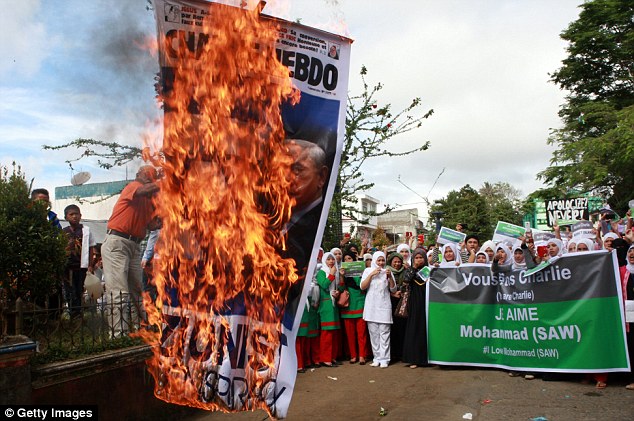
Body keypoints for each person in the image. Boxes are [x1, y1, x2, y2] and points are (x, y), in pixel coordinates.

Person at [101, 165, 160, 337]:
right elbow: (143, 190)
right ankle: (118, 335)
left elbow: (152, 225)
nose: (151, 177)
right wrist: (169, 179)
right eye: (148, 174)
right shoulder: (133, 186)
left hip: (134, 245)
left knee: (136, 290)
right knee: (119, 291)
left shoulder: (147, 202)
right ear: (139, 175)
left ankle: (140, 328)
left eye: (154, 175)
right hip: (117, 242)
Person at [361, 251, 397, 368]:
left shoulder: (387, 271)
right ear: (374, 261)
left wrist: (389, 276)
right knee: (374, 334)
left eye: (383, 260)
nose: (381, 263)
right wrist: (372, 274)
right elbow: (362, 286)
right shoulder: (368, 271)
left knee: (384, 333)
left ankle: (385, 359)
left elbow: (393, 289)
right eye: (379, 260)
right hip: (371, 306)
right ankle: (376, 357)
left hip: (384, 305)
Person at [62, 204, 96, 317]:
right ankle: (73, 313)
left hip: (81, 266)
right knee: (69, 291)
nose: (74, 216)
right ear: (66, 217)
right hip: (67, 267)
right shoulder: (63, 232)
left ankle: (79, 313)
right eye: (71, 214)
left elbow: (91, 248)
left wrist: (90, 265)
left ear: (80, 216)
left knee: (79, 289)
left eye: (77, 214)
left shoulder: (86, 230)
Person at [402, 249, 429, 368]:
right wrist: (413, 267)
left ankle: (426, 358)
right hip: (415, 302)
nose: (419, 260)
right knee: (415, 328)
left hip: (428, 301)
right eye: (416, 258)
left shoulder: (429, 270)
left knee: (426, 329)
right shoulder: (410, 270)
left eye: (421, 258)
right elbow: (406, 280)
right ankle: (414, 359)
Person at [340, 251, 368, 365]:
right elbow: (341, 288)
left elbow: (362, 286)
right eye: (346, 259)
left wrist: (357, 272)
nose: (348, 261)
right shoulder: (341, 272)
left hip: (359, 302)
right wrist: (342, 276)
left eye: (350, 259)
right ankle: (353, 355)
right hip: (347, 305)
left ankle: (362, 355)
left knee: (361, 333)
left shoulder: (361, 270)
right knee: (350, 333)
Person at [316, 251, 341, 367]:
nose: (331, 261)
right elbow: (324, 285)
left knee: (334, 332)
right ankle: (325, 358)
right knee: (327, 333)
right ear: (324, 260)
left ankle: (332, 356)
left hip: (334, 304)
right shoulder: (321, 272)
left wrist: (337, 292)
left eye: (332, 259)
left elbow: (339, 287)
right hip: (326, 305)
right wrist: (331, 274)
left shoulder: (335, 272)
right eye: (328, 259)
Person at [387, 252, 407, 362]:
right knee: (392, 328)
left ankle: (401, 353)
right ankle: (393, 354)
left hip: (402, 302)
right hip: (390, 302)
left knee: (402, 327)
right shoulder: (386, 271)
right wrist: (392, 294)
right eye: (395, 262)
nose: (397, 264)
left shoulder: (405, 271)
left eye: (399, 261)